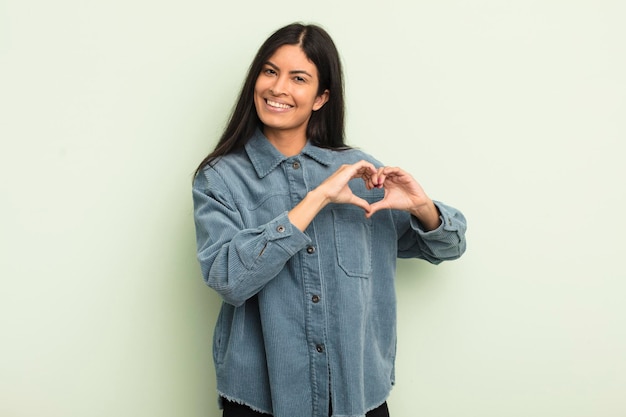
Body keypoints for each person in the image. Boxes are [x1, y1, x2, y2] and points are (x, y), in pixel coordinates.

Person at [192, 22, 467, 417]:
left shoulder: (361, 171)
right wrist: (318, 198)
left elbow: (450, 246)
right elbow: (230, 278)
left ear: (321, 97)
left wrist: (422, 208)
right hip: (261, 400)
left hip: (356, 396)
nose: (278, 88)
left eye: (298, 78)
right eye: (269, 71)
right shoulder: (219, 178)